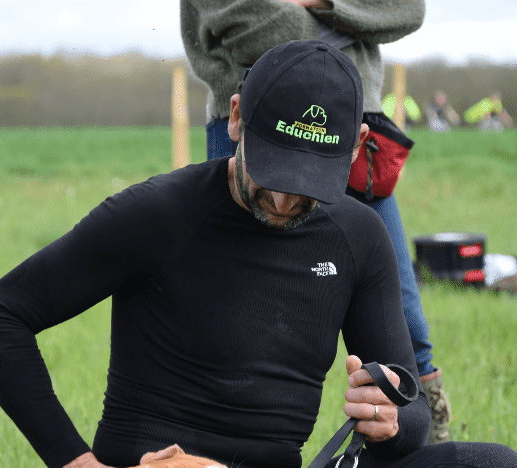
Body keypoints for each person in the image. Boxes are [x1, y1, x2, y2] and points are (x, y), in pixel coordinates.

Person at [0, 41, 517, 468]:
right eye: (274, 170)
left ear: (358, 145)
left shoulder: (358, 237)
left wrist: (389, 417)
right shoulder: (159, 215)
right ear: (236, 118)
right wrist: (75, 465)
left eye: (310, 180)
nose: (286, 200)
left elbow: (409, 417)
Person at [181, 0, 452, 444]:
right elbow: (254, 21)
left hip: (352, 130)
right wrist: (345, 21)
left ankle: (425, 457)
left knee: (405, 322)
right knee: (238, 318)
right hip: (262, 122)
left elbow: (406, 9)